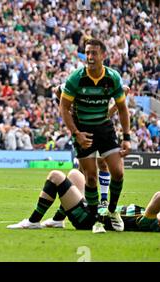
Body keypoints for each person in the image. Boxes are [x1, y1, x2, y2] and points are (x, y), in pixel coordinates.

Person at [59, 38, 131, 231]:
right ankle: (96, 219)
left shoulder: (113, 77)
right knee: (90, 177)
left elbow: (123, 109)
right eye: (87, 52)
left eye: (94, 53)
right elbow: (64, 108)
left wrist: (127, 137)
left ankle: (112, 211)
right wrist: (76, 133)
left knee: (118, 172)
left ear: (103, 56)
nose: (90, 57)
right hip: (83, 130)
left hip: (105, 127)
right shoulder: (76, 78)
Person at [7, 169, 160, 233]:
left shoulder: (150, 223)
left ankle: (33, 222)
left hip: (88, 219)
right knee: (75, 174)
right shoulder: (149, 217)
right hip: (93, 209)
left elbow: (158, 197)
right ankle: (57, 220)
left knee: (55, 176)